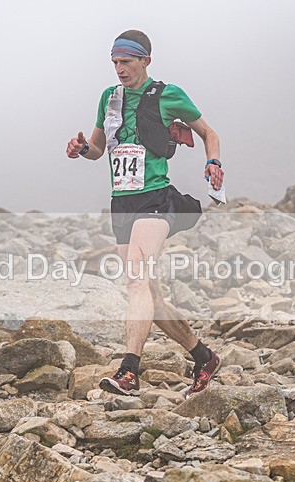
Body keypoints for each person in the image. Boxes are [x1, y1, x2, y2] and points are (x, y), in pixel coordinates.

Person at [66, 29, 225, 398]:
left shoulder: (169, 94)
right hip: (121, 201)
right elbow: (97, 148)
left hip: (156, 197)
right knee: (148, 294)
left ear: (145, 61)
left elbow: (208, 132)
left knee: (136, 279)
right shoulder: (109, 98)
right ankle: (204, 357)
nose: (119, 69)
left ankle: (128, 372)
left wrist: (213, 161)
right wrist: (80, 148)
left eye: (126, 61)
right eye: (114, 62)